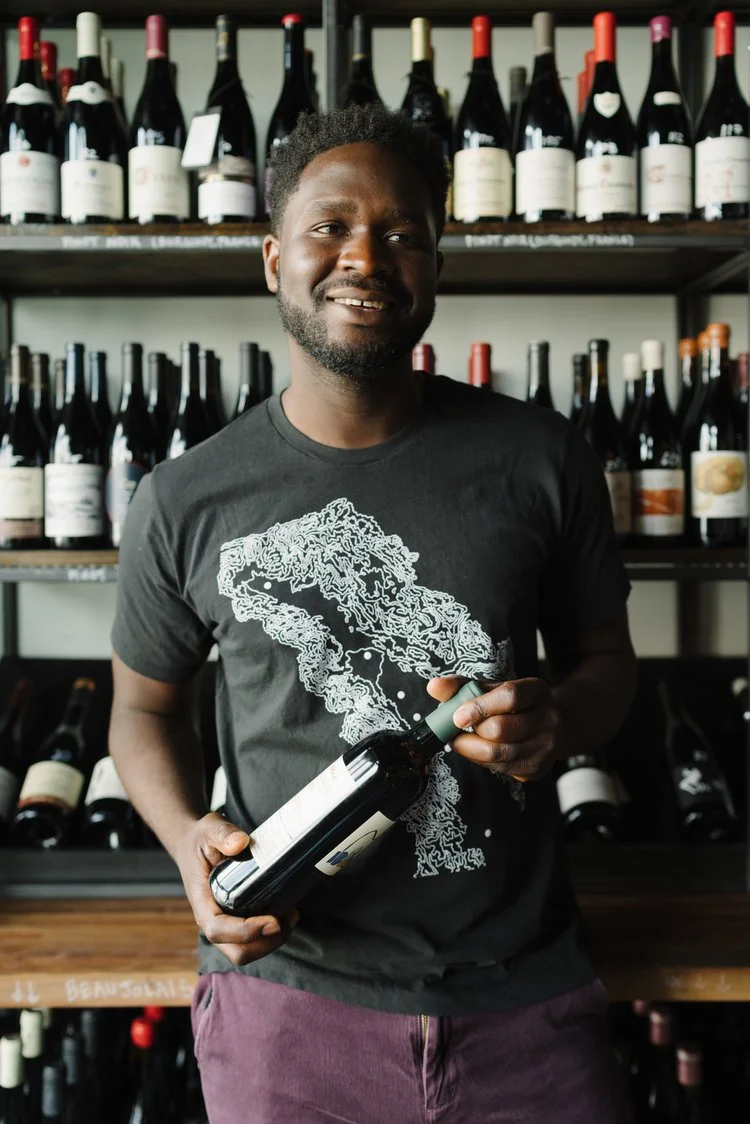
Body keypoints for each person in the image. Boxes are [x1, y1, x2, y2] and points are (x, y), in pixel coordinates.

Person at [110, 103, 637, 1124]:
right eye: (331, 227)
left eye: (403, 233)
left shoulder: (542, 456)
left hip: (526, 1001)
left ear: (436, 266)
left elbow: (608, 663)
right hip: (289, 1011)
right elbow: (140, 711)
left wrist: (557, 720)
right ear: (273, 260)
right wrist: (187, 843)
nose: (367, 255)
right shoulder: (184, 496)